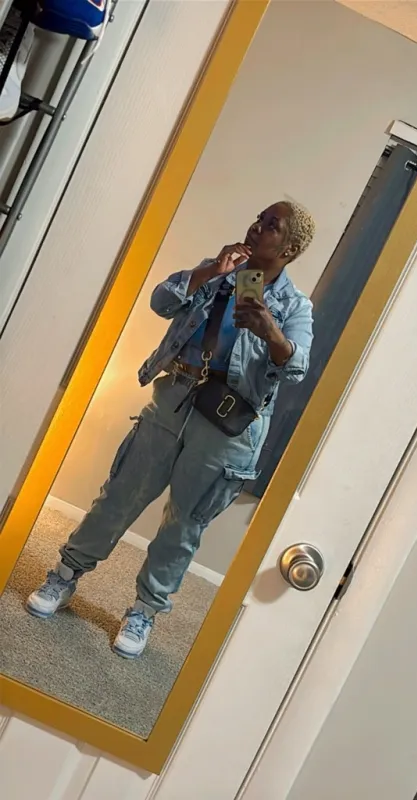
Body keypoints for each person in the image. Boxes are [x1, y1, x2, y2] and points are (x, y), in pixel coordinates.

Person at [26, 201, 316, 659]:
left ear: (290, 248)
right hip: (175, 395)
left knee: (185, 522)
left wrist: (271, 331)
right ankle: (65, 575)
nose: (257, 226)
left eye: (271, 225)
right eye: (258, 218)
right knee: (120, 494)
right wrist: (210, 272)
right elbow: (162, 301)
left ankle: (144, 611)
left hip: (227, 423)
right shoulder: (220, 270)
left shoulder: (295, 306)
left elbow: (296, 368)